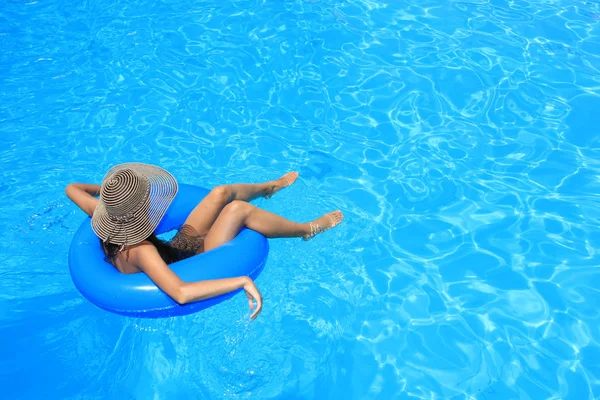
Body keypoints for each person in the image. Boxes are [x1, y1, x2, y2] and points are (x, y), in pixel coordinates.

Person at [66, 163, 343, 319]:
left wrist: (118, 198)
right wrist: (242, 281)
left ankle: (270, 188)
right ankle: (307, 229)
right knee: (238, 211)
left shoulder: (103, 219)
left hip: (175, 251)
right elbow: (181, 293)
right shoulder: (141, 250)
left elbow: (72, 189)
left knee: (221, 193)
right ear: (138, 213)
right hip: (195, 262)